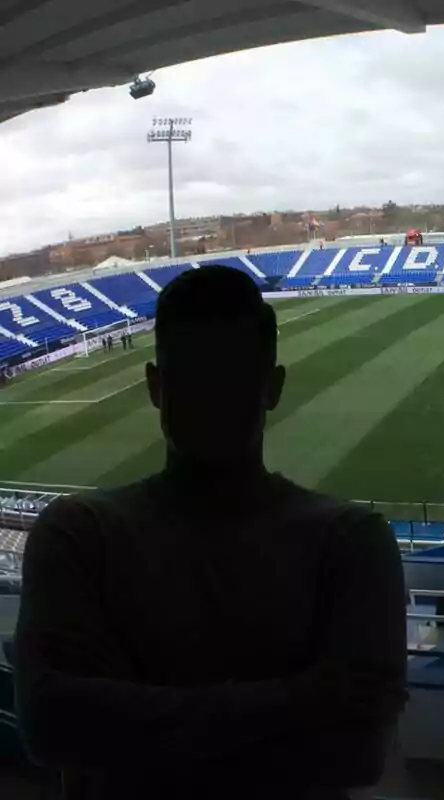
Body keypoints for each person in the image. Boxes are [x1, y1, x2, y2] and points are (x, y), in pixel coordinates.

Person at [14, 265, 407, 799]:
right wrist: (305, 698)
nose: (212, 396)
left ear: (271, 387)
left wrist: (131, 719)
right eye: (194, 375)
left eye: (231, 375)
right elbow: (51, 726)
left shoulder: (353, 542)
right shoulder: (77, 535)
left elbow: (357, 756)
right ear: (156, 386)